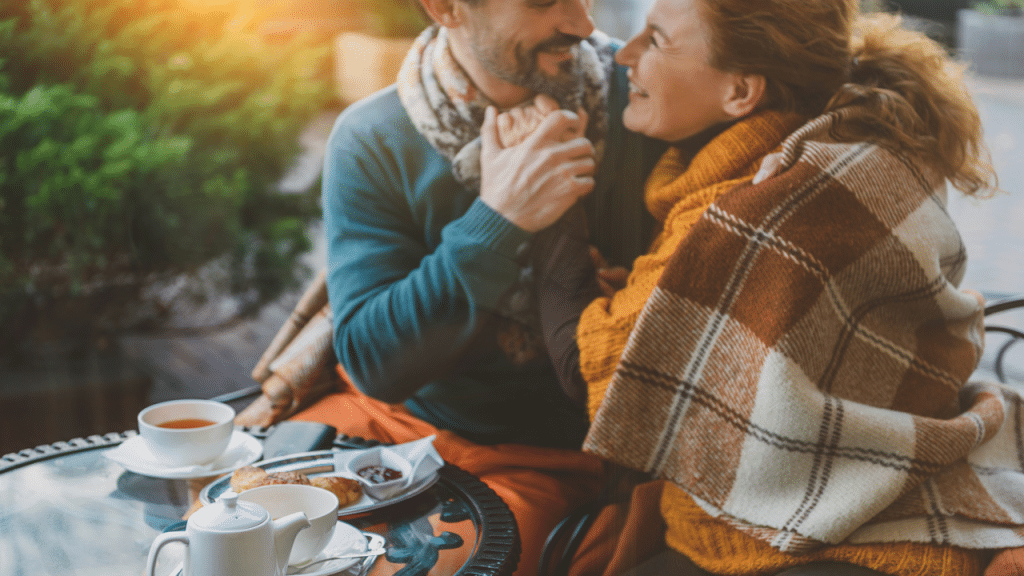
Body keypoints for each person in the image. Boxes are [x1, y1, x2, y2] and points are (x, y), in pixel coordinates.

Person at [503, 0, 1024, 574]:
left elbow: (596, 376)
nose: (623, 54)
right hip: (916, 446)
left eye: (655, 40)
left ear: (741, 92)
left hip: (817, 532)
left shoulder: (754, 211)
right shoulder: (851, 133)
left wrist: (550, 208)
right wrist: (653, 296)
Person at [274, 1, 666, 575]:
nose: (583, 25)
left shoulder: (646, 97)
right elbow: (374, 363)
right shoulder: (371, 137)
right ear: (447, 8)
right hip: (392, 426)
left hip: (552, 457)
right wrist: (501, 219)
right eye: (544, 2)